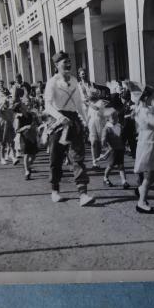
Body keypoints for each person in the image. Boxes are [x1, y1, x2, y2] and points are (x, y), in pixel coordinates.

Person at [44, 51, 95, 206]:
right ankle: (55, 190)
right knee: (56, 158)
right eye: (64, 62)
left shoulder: (74, 81)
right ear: (56, 65)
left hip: (73, 121)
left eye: (69, 62)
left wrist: (86, 122)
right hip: (58, 121)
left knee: (78, 157)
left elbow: (79, 104)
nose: (68, 65)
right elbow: (47, 105)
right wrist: (59, 117)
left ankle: (83, 194)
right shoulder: (52, 82)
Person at [133, 85, 154, 214]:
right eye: (149, 95)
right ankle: (141, 201)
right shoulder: (143, 110)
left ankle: (142, 190)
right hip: (149, 142)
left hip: (150, 140)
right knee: (153, 171)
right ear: (144, 97)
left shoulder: (142, 108)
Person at [98, 108, 130, 189]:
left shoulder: (119, 126)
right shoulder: (107, 128)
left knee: (121, 166)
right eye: (113, 117)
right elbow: (103, 140)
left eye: (117, 117)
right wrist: (106, 146)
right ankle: (105, 178)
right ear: (108, 119)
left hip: (120, 149)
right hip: (112, 150)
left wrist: (125, 144)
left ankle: (124, 181)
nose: (116, 119)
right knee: (110, 165)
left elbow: (123, 136)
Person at [0, 93, 19, 165]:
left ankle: (13, 157)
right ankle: (2, 158)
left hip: (9, 127)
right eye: (5, 103)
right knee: (3, 144)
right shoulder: (0, 110)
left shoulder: (10, 110)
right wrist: (3, 102)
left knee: (11, 143)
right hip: (2, 128)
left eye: (7, 103)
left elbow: (12, 116)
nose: (7, 104)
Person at [14, 101, 39, 180]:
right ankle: (27, 171)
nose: (25, 105)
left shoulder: (30, 114)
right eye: (23, 104)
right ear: (21, 108)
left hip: (32, 136)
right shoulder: (19, 118)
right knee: (26, 154)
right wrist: (25, 127)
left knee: (34, 155)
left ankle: (28, 166)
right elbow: (17, 130)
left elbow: (36, 123)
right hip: (24, 137)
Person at [119, 88, 137, 158]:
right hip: (125, 125)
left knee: (131, 140)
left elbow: (134, 114)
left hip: (129, 125)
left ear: (125, 98)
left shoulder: (132, 104)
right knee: (127, 140)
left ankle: (134, 154)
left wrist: (127, 116)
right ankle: (131, 153)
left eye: (122, 98)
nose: (121, 100)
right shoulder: (125, 104)